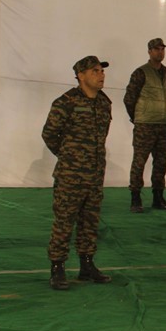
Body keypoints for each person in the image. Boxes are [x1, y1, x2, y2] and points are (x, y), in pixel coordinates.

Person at [41, 55, 113, 290]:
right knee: (64, 221)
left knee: (90, 222)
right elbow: (50, 134)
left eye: (101, 71)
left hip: (95, 174)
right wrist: (69, 156)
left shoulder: (104, 103)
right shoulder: (66, 102)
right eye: (95, 71)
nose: (101, 74)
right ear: (81, 75)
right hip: (70, 175)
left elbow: (102, 136)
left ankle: (87, 265)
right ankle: (57, 268)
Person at [124, 37, 166, 213]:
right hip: (145, 125)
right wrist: (137, 117)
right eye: (156, 49)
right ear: (149, 51)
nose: (160, 52)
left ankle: (158, 197)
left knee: (161, 163)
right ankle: (135, 197)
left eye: (162, 49)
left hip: (163, 125)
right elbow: (129, 99)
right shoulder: (140, 73)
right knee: (139, 162)